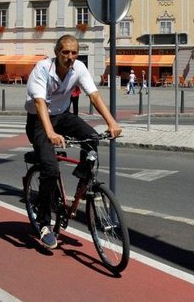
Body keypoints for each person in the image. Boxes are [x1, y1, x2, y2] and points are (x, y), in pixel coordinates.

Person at [25, 34, 122, 249]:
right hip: (39, 121)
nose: (70, 57)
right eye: (65, 52)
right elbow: (40, 103)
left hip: (63, 116)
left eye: (74, 52)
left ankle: (82, 180)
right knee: (50, 168)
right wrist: (50, 132)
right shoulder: (41, 69)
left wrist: (112, 122)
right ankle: (43, 224)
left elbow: (94, 96)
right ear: (57, 52)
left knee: (92, 138)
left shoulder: (78, 67)